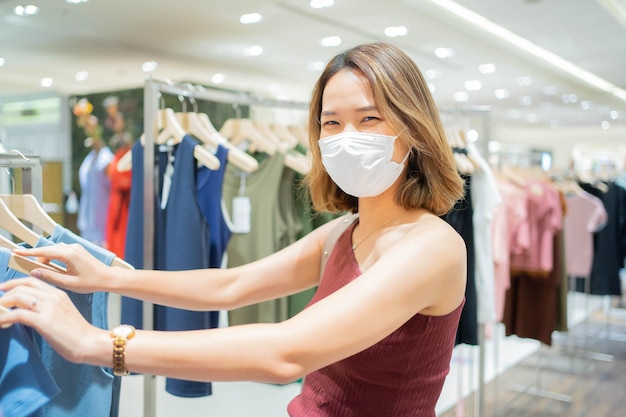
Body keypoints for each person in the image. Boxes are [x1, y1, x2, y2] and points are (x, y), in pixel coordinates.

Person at [0, 42, 467, 417]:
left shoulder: (432, 247)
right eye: (331, 123)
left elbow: (286, 352)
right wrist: (110, 276)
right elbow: (231, 284)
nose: (345, 137)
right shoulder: (344, 231)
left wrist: (99, 344)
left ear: (413, 127)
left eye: (368, 119)